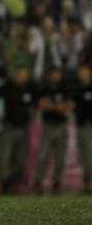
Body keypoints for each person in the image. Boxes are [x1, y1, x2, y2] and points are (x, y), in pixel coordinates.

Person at [0, 66, 38, 194]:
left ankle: (15, 185)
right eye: (19, 74)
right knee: (4, 158)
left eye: (23, 74)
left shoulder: (30, 87)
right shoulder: (7, 86)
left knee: (20, 159)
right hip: (9, 128)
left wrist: (33, 116)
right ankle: (1, 185)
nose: (21, 76)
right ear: (15, 75)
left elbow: (37, 103)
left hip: (24, 128)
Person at [33, 68, 74, 195]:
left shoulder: (65, 88)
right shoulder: (44, 89)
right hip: (48, 126)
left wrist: (52, 106)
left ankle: (57, 183)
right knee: (42, 156)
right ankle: (38, 182)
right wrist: (58, 106)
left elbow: (68, 107)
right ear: (49, 75)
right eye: (53, 74)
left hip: (61, 125)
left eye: (58, 74)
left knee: (60, 157)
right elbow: (41, 105)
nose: (56, 76)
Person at [72, 64, 92, 194]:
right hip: (83, 126)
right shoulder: (75, 89)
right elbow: (70, 105)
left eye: (86, 72)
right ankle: (88, 183)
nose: (84, 74)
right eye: (82, 72)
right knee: (86, 157)